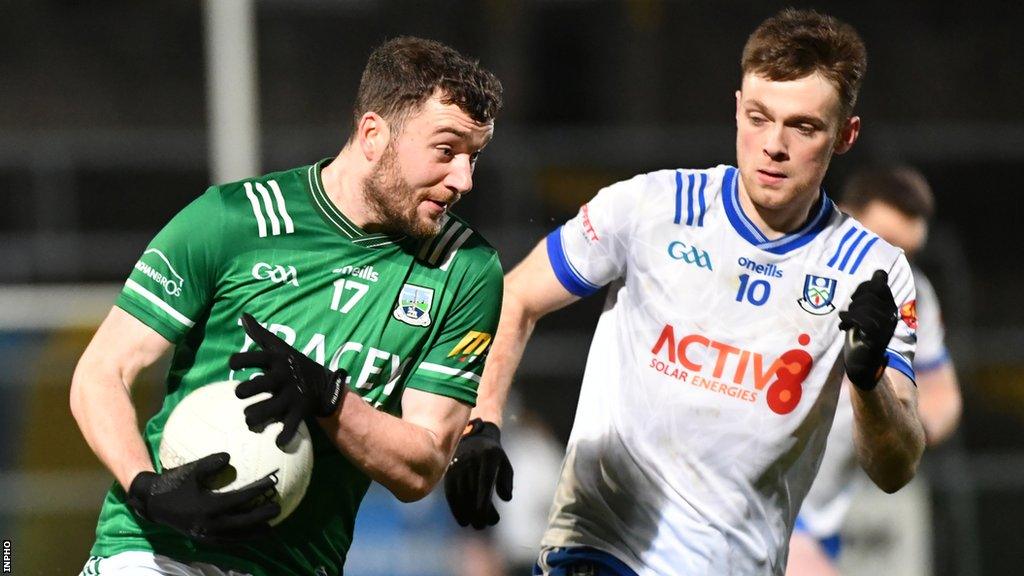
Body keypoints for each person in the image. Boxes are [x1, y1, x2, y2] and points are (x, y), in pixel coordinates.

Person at [442, 9, 926, 575]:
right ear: (736, 108)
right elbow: (515, 297)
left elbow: (895, 467)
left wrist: (867, 380)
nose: (773, 145)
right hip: (602, 547)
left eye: (803, 127)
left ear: (846, 135)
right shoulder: (652, 207)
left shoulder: (871, 270)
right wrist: (482, 421)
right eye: (758, 116)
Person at [70, 36, 504, 576]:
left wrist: (331, 400)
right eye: (445, 150)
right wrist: (144, 486)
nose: (463, 179)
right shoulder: (233, 219)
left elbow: (420, 468)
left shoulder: (464, 270)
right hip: (157, 551)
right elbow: (101, 372)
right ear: (373, 134)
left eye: (474, 156)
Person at [786, 165, 963, 575]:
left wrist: (899, 432)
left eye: (909, 253)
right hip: (762, 498)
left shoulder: (913, 293)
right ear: (845, 214)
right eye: (886, 243)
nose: (896, 263)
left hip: (823, 513)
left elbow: (942, 396)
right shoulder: (795, 269)